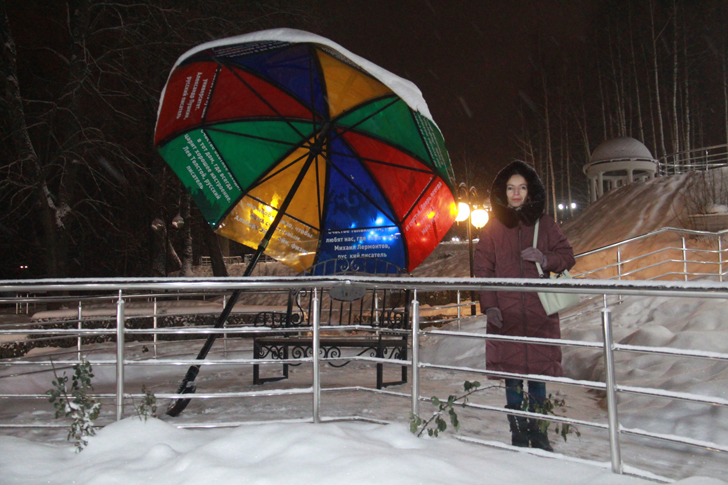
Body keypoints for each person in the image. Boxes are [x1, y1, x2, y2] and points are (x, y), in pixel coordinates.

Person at [473, 160, 575, 451]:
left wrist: (544, 258)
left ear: (530, 191)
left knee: (538, 377)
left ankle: (539, 434)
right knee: (513, 377)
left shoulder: (546, 224)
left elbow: (567, 256)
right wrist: (490, 306)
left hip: (539, 313)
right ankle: (518, 434)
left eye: (521, 188)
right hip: (505, 314)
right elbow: (483, 270)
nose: (515, 194)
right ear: (502, 192)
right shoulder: (492, 228)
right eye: (510, 188)